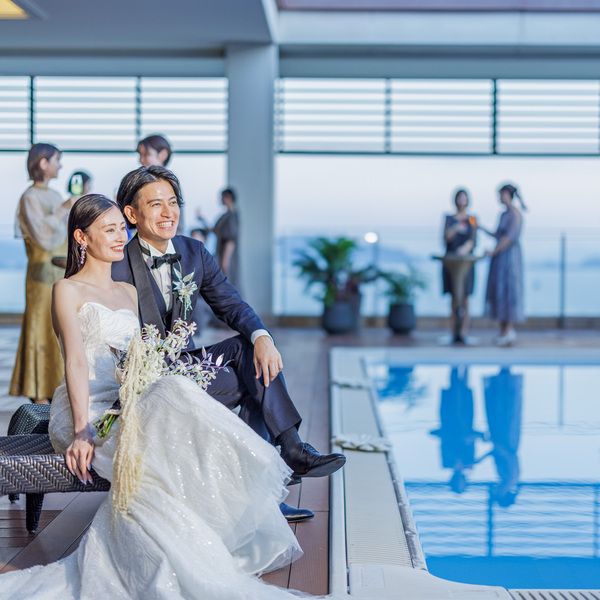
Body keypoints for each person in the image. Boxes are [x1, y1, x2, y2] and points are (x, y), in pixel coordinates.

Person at [0, 195, 312, 599]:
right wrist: (80, 431)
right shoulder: (67, 290)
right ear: (81, 237)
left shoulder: (128, 292)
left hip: (128, 403)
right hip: (86, 411)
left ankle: (190, 553)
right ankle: (159, 562)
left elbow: (141, 358)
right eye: (109, 229)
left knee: (175, 401)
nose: (120, 236)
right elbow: (75, 361)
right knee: (169, 425)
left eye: (121, 228)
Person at [111, 166, 345, 523]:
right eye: (156, 205)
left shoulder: (193, 252)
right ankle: (273, 481)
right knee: (255, 384)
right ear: (131, 213)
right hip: (148, 379)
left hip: (185, 365)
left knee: (251, 352)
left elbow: (231, 304)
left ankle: (290, 449)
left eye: (173, 203)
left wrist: (263, 337)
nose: (168, 213)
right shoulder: (117, 264)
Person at [9, 143, 74, 404]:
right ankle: (37, 391)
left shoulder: (55, 195)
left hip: (59, 273)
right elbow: (42, 236)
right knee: (40, 327)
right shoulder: (30, 197)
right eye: (57, 160)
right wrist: (62, 210)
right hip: (40, 275)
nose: (60, 165)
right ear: (44, 163)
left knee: (58, 328)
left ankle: (56, 387)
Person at [482, 183, 526, 346]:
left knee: (509, 290)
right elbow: (498, 235)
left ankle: (509, 330)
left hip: (510, 259)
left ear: (508, 195)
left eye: (501, 194)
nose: (499, 197)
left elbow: (509, 238)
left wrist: (494, 251)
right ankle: (503, 331)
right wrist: (479, 227)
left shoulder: (515, 214)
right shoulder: (503, 214)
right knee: (499, 291)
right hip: (500, 257)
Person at [442, 189, 478, 344]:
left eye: (464, 198)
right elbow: (445, 237)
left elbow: (474, 239)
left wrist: (465, 248)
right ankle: (453, 333)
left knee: (465, 298)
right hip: (451, 262)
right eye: (459, 198)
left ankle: (464, 332)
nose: (462, 201)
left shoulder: (472, 219)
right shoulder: (449, 219)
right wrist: (456, 228)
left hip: (466, 263)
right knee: (453, 297)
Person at [137, 134, 185, 235]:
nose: (141, 160)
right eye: (140, 155)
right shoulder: (142, 182)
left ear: (163, 155)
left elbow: (178, 223)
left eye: (146, 155)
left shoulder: (169, 183)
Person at [214, 187, 240, 289]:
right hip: (221, 253)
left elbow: (231, 239)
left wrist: (225, 260)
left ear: (228, 197)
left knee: (228, 282)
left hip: (226, 255)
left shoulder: (232, 215)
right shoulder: (227, 215)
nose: (220, 199)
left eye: (222, 197)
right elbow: (216, 229)